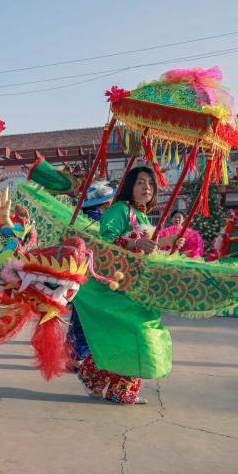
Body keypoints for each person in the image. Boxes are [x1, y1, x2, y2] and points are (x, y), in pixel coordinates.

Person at [73, 166, 170, 405]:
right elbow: (104, 241)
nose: (147, 187)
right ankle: (112, 385)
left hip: (136, 288)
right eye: (140, 182)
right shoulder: (121, 209)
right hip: (117, 286)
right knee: (136, 333)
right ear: (129, 186)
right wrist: (134, 243)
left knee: (127, 335)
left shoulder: (143, 216)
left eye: (150, 183)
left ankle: (97, 379)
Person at [67, 182, 115, 365]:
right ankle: (80, 356)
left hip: (78, 271)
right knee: (88, 319)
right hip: (96, 274)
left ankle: (72, 354)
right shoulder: (104, 222)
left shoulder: (79, 218)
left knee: (78, 315)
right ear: (107, 204)